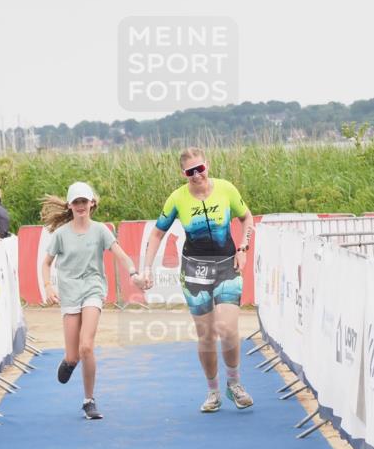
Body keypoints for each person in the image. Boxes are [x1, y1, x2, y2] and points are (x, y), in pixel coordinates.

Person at [141, 148, 256, 413]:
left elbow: (246, 217)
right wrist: (146, 268)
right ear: (183, 174)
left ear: (208, 165)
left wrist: (243, 247)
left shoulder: (226, 189)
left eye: (200, 169)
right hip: (195, 270)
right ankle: (213, 391)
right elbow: (158, 233)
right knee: (206, 334)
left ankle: (235, 384)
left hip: (227, 265)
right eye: (190, 172)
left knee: (227, 329)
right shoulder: (177, 198)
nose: (196, 176)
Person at [40, 182, 144, 420]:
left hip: (93, 289)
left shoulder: (100, 230)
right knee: (73, 355)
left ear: (92, 203)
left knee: (86, 346)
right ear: (70, 205)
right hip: (69, 292)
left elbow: (120, 254)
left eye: (84, 202)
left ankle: (89, 400)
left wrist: (133, 273)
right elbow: (45, 263)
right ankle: (68, 361)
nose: (80, 206)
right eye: (76, 202)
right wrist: (48, 286)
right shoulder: (61, 234)